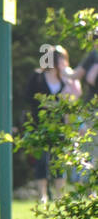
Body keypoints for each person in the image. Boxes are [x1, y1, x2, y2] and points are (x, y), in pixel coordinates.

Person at [24, 45, 79, 202]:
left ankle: (60, 195)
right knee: (41, 160)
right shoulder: (38, 76)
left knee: (58, 161)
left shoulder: (66, 79)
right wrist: (46, 105)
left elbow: (75, 99)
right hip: (40, 124)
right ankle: (43, 195)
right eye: (59, 59)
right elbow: (29, 98)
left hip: (60, 125)